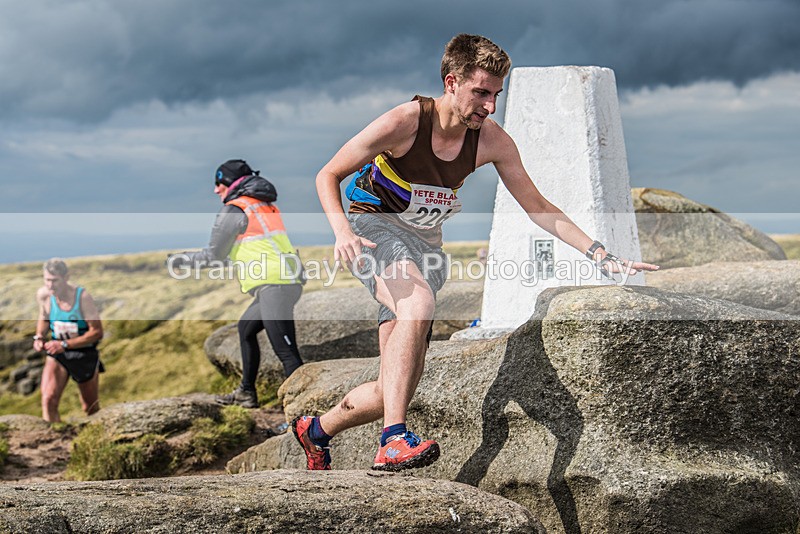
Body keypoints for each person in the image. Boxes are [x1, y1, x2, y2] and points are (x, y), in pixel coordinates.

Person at [292, 34, 659, 472]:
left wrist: (600, 253)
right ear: (452, 82)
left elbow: (539, 208)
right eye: (480, 93)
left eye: (496, 95)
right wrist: (340, 231)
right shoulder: (407, 121)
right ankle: (392, 440)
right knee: (419, 304)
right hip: (371, 229)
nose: (489, 106)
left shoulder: (491, 141)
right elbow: (327, 174)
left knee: (396, 383)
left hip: (426, 247)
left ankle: (316, 431)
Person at [168, 159, 304, 408]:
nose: (215, 190)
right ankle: (246, 393)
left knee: (287, 353)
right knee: (246, 328)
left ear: (229, 183)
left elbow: (214, 254)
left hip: (275, 285)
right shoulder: (262, 205)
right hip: (282, 282)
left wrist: (180, 260)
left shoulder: (235, 209)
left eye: (218, 184)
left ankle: (300, 414)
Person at [33, 258, 104, 423]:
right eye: (47, 280)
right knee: (48, 399)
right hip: (57, 352)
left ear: (66, 277)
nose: (50, 285)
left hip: (83, 353)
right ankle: (53, 441)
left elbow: (97, 332)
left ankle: (95, 439)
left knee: (90, 407)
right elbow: (44, 318)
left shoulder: (82, 297)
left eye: (55, 280)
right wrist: (39, 336)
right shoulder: (44, 295)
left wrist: (65, 344)